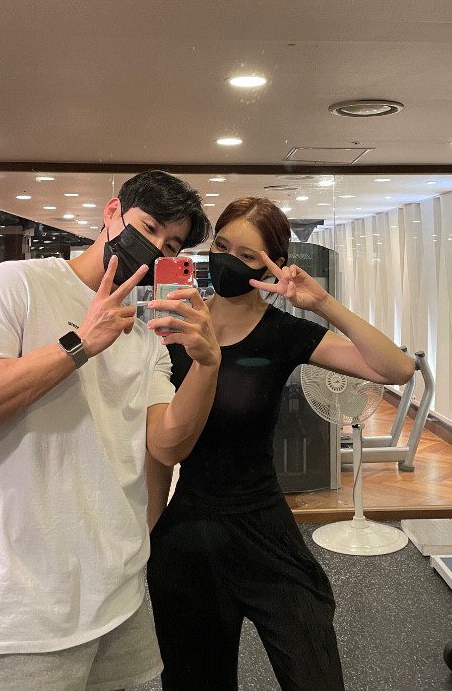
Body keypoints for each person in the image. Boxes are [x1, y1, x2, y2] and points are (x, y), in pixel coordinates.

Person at [0, 170, 221, 691]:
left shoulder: (144, 335)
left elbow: (167, 444)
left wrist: (208, 365)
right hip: (19, 604)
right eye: (147, 227)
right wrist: (80, 342)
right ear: (111, 212)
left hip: (118, 592)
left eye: (171, 246)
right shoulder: (14, 284)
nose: (154, 248)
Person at [146, 196, 416, 691]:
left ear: (273, 264)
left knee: (315, 673)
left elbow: (396, 368)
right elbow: (156, 445)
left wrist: (322, 303)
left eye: (247, 256)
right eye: (221, 246)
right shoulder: (175, 326)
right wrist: (147, 531)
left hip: (264, 525)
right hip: (188, 534)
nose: (227, 261)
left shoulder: (284, 332)